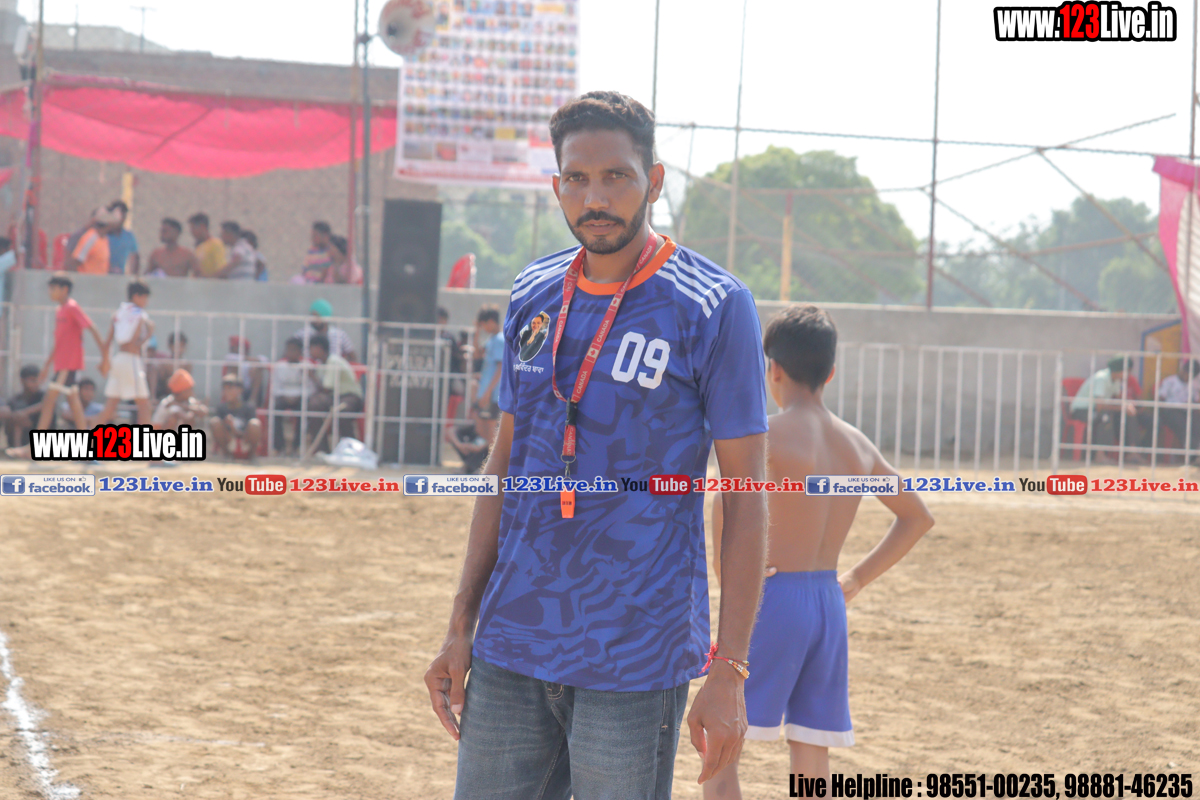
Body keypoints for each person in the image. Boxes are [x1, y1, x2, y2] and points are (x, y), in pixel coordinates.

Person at [424, 90, 770, 798]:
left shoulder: (712, 305)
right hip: (512, 643)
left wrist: (731, 669)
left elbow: (746, 498)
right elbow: (504, 467)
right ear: (557, 187)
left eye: (617, 176)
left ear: (655, 181)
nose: (596, 198)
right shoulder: (532, 292)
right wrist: (461, 624)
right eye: (577, 179)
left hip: (635, 655)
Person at [705, 305, 935, 796]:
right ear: (830, 372)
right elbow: (918, 517)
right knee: (812, 748)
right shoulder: (856, 444)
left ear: (773, 370)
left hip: (772, 599)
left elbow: (724, 500)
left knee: (722, 746)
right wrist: (855, 579)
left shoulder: (768, 435)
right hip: (828, 603)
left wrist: (729, 579)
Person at [28, 274, 109, 443]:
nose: (50, 292)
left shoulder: (72, 307)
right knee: (74, 403)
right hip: (61, 365)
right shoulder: (60, 310)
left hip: (68, 365)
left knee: (49, 401)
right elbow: (59, 342)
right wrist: (47, 365)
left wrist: (105, 357)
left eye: (53, 288)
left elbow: (92, 328)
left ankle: (32, 448)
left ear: (64, 289)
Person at [93, 281, 154, 426]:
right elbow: (133, 343)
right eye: (144, 297)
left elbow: (108, 341)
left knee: (109, 406)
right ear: (136, 296)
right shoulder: (140, 315)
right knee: (144, 405)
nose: (146, 301)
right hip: (131, 360)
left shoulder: (119, 313)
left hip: (118, 360)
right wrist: (149, 334)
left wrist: (104, 361)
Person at [1070, 355, 1144, 460]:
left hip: (1098, 410)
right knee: (1105, 417)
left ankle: (1132, 451)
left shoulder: (1117, 380)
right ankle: (1100, 454)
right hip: (1082, 410)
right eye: (1126, 371)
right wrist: (1122, 407)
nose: (1128, 374)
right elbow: (1100, 406)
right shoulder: (1102, 378)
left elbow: (1118, 400)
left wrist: (1127, 406)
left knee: (1128, 415)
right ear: (1118, 370)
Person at [307, 334, 364, 449]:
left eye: (311, 348)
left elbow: (327, 388)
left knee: (341, 411)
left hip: (350, 396)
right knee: (313, 404)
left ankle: (350, 449)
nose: (309, 352)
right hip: (334, 397)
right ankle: (321, 450)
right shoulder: (321, 363)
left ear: (319, 348)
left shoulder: (333, 361)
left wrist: (312, 376)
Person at [269, 336, 311, 456]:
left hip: (300, 398)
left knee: (304, 412)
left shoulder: (306, 366)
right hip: (283, 396)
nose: (290, 352)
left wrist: (299, 396)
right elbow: (275, 387)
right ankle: (279, 447)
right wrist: (284, 396)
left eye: (294, 350)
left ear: (300, 352)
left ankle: (297, 446)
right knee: (275, 411)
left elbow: (310, 388)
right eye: (288, 349)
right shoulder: (280, 366)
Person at [208, 373, 261, 460]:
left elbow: (249, 432)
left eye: (230, 388)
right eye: (224, 389)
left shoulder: (248, 407)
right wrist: (229, 427)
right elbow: (220, 431)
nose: (226, 392)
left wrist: (233, 427)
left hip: (244, 442)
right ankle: (226, 455)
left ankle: (251, 456)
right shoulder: (221, 408)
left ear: (240, 390)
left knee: (255, 424)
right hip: (229, 441)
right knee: (215, 422)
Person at [473, 305, 503, 444]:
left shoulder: (499, 340)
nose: (483, 328)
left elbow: (500, 368)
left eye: (483, 324)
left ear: (491, 321)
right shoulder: (492, 339)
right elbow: (477, 355)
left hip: (493, 395)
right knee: (482, 430)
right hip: (487, 394)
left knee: (491, 432)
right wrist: (476, 332)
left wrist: (487, 392)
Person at [1156, 359, 1200, 455]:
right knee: (1183, 426)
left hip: (1186, 411)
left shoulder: (1193, 385)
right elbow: (1161, 399)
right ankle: (1191, 453)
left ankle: (1195, 450)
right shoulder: (1170, 381)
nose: (1188, 377)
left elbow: (1196, 401)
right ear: (1183, 370)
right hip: (1170, 411)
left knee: (1196, 423)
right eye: (1187, 374)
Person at [1, 366, 45, 449]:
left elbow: (44, 405)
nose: (36, 383)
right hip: (22, 437)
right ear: (22, 380)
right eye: (32, 380)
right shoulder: (16, 399)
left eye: (37, 380)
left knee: (19, 416)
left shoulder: (43, 397)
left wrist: (25, 412)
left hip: (39, 439)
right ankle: (16, 449)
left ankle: (18, 449)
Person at [66, 208, 118, 275]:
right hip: (88, 280)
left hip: (100, 280)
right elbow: (75, 262)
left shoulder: (105, 238)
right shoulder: (91, 238)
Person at [223, 336, 268, 407]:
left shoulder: (251, 362)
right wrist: (252, 360)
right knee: (234, 367)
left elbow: (265, 361)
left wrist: (253, 365)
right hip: (238, 388)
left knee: (257, 370)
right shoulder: (232, 358)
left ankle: (252, 401)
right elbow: (231, 358)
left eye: (234, 346)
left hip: (252, 391)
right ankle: (237, 398)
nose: (231, 348)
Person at [106, 200, 140, 275]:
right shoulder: (104, 234)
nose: (122, 219)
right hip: (103, 276)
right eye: (120, 215)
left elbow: (135, 256)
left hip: (120, 276)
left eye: (124, 216)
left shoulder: (128, 236)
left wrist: (133, 275)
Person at [188, 213, 226, 279]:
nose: (191, 232)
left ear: (202, 227)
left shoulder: (215, 244)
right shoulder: (199, 247)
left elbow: (221, 269)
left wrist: (209, 279)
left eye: (193, 229)